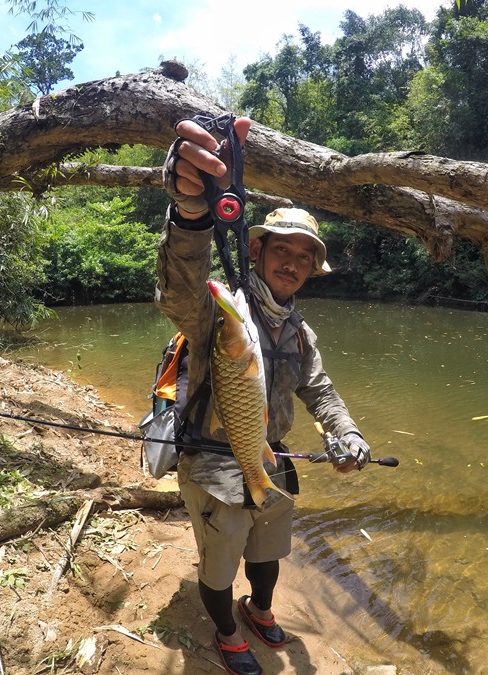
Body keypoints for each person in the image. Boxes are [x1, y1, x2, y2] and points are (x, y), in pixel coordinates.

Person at [155, 116, 371, 675]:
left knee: (269, 558)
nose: (292, 262)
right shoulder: (221, 312)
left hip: (269, 460)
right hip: (214, 465)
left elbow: (319, 390)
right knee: (219, 568)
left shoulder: (300, 332)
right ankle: (227, 632)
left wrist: (346, 433)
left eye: (305, 256)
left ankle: (261, 608)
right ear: (259, 250)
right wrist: (190, 214)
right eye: (282, 249)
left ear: (312, 269)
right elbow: (181, 283)